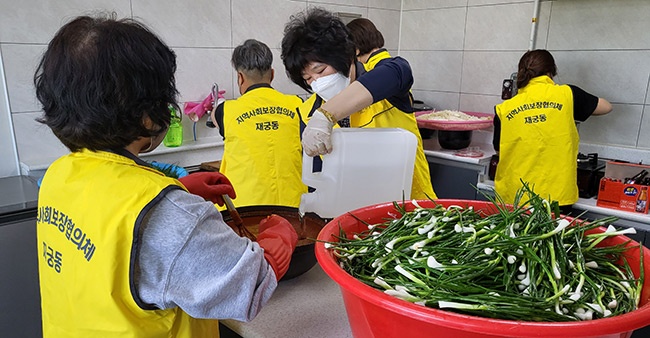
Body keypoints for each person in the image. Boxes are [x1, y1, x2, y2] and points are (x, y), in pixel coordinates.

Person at [34, 15, 298, 337]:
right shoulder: (170, 216)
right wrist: (282, 233)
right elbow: (249, 286)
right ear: (147, 111)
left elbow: (110, 220)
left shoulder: (59, 175)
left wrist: (178, 188)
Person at [281, 8, 437, 200]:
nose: (317, 82)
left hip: (413, 214)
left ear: (347, 57)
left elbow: (399, 71)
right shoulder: (308, 113)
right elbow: (317, 179)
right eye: (308, 79)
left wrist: (327, 114)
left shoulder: (386, 82)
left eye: (320, 70)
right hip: (356, 218)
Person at [492, 49, 612, 211]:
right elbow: (606, 107)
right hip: (555, 198)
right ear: (551, 72)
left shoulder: (504, 109)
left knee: (513, 236)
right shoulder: (567, 95)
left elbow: (500, 152)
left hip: (513, 198)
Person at [211, 39, 306, 208]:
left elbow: (214, 117)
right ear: (272, 74)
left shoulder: (225, 111)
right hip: (292, 205)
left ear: (240, 78)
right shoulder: (297, 104)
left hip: (244, 210)